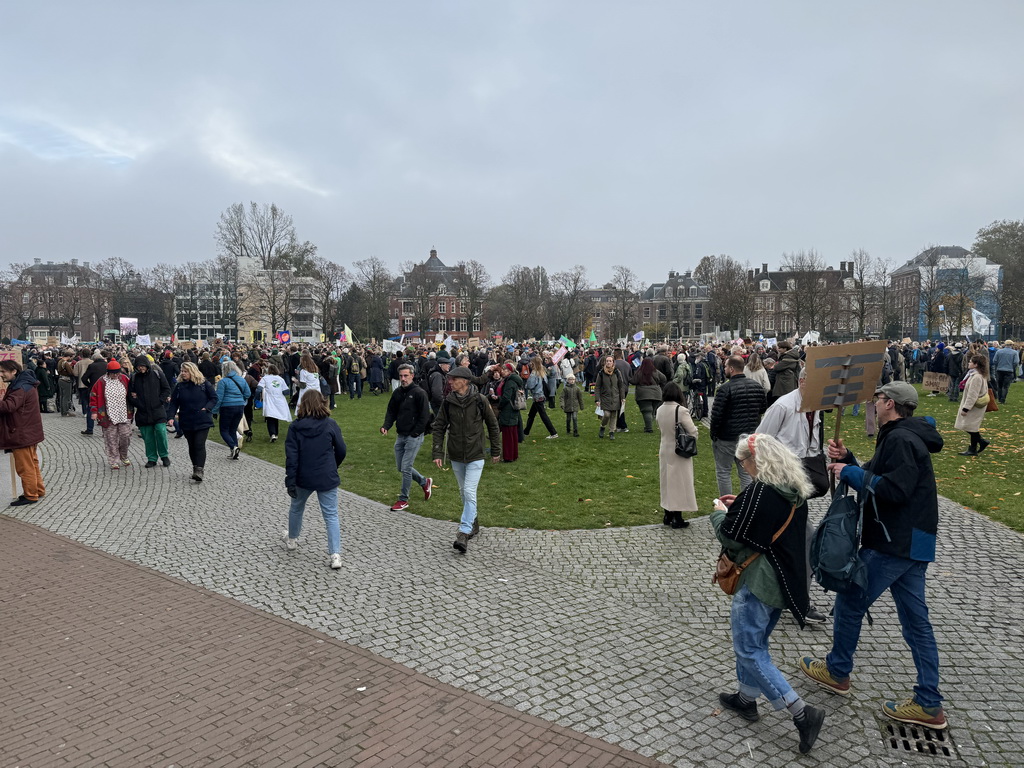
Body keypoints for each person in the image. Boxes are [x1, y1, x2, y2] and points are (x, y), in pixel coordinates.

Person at [800, 381, 947, 731]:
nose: (874, 403)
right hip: (912, 541)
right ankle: (929, 702)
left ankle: (837, 672)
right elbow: (880, 474)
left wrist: (849, 472)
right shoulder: (901, 435)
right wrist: (849, 459)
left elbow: (895, 490)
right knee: (916, 622)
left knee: (851, 600)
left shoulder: (900, 438)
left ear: (891, 404)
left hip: (894, 541)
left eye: (878, 399)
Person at [712, 433, 823, 754]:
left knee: (749, 649)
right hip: (783, 582)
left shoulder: (762, 491)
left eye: (743, 462)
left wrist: (719, 511)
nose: (743, 467)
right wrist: (739, 505)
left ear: (756, 460)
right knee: (755, 643)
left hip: (758, 582)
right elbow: (762, 523)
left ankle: (802, 714)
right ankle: (746, 698)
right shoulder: (792, 488)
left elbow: (732, 537)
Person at [754, 367, 829, 623]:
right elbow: (759, 440)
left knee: (797, 539)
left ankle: (790, 594)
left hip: (800, 484)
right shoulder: (783, 406)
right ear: (803, 382)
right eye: (817, 384)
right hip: (780, 484)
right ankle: (797, 599)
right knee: (802, 538)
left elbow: (813, 442)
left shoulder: (816, 408)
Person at [431, 366, 501, 553]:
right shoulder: (448, 402)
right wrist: (438, 452)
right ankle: (474, 522)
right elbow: (438, 427)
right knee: (463, 492)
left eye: (454, 379)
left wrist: (496, 450)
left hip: (476, 454)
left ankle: (463, 532)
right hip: (455, 454)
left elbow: (493, 426)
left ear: (465, 381)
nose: (450, 382)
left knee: (469, 491)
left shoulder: (480, 400)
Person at [283, 391, 347, 570]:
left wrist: (290, 479)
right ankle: (335, 554)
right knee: (331, 515)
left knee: (296, 507)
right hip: (326, 475)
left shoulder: (295, 427)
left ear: (302, 405)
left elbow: (292, 456)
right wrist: (333, 465)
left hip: (303, 475)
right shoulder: (330, 424)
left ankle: (293, 539)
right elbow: (341, 449)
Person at [710, 355, 766, 496]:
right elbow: (762, 408)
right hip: (748, 435)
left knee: (723, 471)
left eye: (726, 367)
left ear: (732, 369)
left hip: (727, 437)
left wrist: (714, 434)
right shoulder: (757, 387)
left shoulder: (725, 389)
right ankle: (745, 502)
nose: (724, 369)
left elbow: (717, 415)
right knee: (746, 471)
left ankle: (726, 505)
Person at [380, 363, 433, 511]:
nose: (403, 379)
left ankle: (403, 499)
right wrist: (386, 426)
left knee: (406, 467)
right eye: (401, 376)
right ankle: (424, 481)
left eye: (406, 376)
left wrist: (416, 433)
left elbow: (425, 416)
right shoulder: (397, 392)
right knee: (401, 467)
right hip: (401, 434)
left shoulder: (419, 393)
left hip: (414, 436)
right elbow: (391, 411)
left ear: (412, 376)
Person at [0, 359, 46, 506]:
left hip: (22, 432)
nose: (1, 375)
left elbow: (9, 406)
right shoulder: (24, 384)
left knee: (25, 466)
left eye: (3, 372)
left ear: (14, 371)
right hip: (28, 431)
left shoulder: (20, 387)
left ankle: (31, 495)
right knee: (32, 462)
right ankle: (38, 489)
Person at [167, 362, 218, 481]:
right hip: (186, 419)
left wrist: (207, 408)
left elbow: (214, 398)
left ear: (192, 371)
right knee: (192, 445)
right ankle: (195, 467)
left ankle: (200, 469)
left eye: (186, 371)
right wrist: (170, 417)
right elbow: (174, 403)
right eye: (182, 371)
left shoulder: (204, 384)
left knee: (199, 444)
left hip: (202, 419)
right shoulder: (179, 386)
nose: (183, 373)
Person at [656, 382, 697, 529]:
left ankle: (667, 512)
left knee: (667, 482)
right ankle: (677, 516)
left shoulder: (660, 409)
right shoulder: (681, 410)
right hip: (679, 450)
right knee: (679, 483)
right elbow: (692, 431)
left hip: (664, 448)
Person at [90, 360, 134, 470]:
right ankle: (114, 459)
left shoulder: (124, 379)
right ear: (108, 372)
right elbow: (93, 396)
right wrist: (94, 411)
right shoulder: (101, 381)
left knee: (125, 436)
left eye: (117, 373)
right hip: (107, 415)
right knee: (111, 438)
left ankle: (123, 455)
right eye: (113, 373)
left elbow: (132, 392)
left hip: (124, 413)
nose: (115, 375)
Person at [130, 356, 172, 468]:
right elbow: (130, 394)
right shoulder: (134, 378)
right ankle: (152, 458)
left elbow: (166, 389)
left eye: (142, 366)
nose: (141, 368)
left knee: (161, 432)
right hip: (143, 412)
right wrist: (137, 403)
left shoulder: (158, 375)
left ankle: (164, 455)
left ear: (147, 365)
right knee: (148, 437)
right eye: (138, 366)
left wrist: (160, 401)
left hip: (157, 410)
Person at [955, 354, 991, 456]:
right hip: (973, 405)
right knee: (971, 426)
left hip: (974, 406)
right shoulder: (975, 375)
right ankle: (974, 448)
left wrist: (966, 408)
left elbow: (972, 394)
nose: (968, 363)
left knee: (970, 426)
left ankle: (978, 444)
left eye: (970, 361)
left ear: (976, 364)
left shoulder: (976, 377)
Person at [215, 361, 251, 460]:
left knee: (224, 430)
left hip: (227, 407)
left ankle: (233, 447)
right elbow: (248, 393)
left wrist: (214, 410)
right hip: (239, 407)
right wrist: (240, 399)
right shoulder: (241, 380)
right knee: (233, 429)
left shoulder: (223, 381)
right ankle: (234, 452)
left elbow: (219, 398)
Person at [523, 356, 558, 439]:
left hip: (537, 396)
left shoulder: (534, 373)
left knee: (543, 416)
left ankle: (553, 432)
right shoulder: (542, 372)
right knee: (531, 415)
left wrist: (526, 384)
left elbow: (530, 385)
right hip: (541, 395)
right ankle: (526, 431)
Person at [255, 364, 291, 443]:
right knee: (276, 416)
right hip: (279, 400)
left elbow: (258, 389)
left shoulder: (265, 378)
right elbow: (286, 391)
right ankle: (276, 434)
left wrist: (257, 399)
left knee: (270, 417)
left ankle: (272, 434)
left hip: (269, 399)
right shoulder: (280, 379)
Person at [630, 358, 666, 433]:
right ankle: (648, 426)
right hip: (656, 394)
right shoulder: (656, 371)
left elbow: (634, 381)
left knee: (647, 411)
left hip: (643, 394)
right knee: (652, 411)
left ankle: (649, 428)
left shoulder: (639, 372)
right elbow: (664, 378)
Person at [594, 355, 626, 440]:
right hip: (605, 397)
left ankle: (611, 431)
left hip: (615, 397)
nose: (608, 362)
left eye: (610, 361)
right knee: (607, 414)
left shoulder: (617, 372)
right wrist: (597, 399)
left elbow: (621, 385)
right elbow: (597, 387)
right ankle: (602, 426)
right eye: (607, 361)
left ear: (613, 362)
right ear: (605, 362)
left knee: (614, 415)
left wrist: (622, 397)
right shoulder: (601, 373)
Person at [496, 362, 523, 461]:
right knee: (512, 434)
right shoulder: (513, 380)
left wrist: (500, 405)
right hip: (512, 410)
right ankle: (513, 454)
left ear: (509, 371)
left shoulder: (510, 382)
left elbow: (506, 397)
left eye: (504, 370)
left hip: (508, 410)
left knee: (508, 435)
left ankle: (508, 456)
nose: (502, 372)